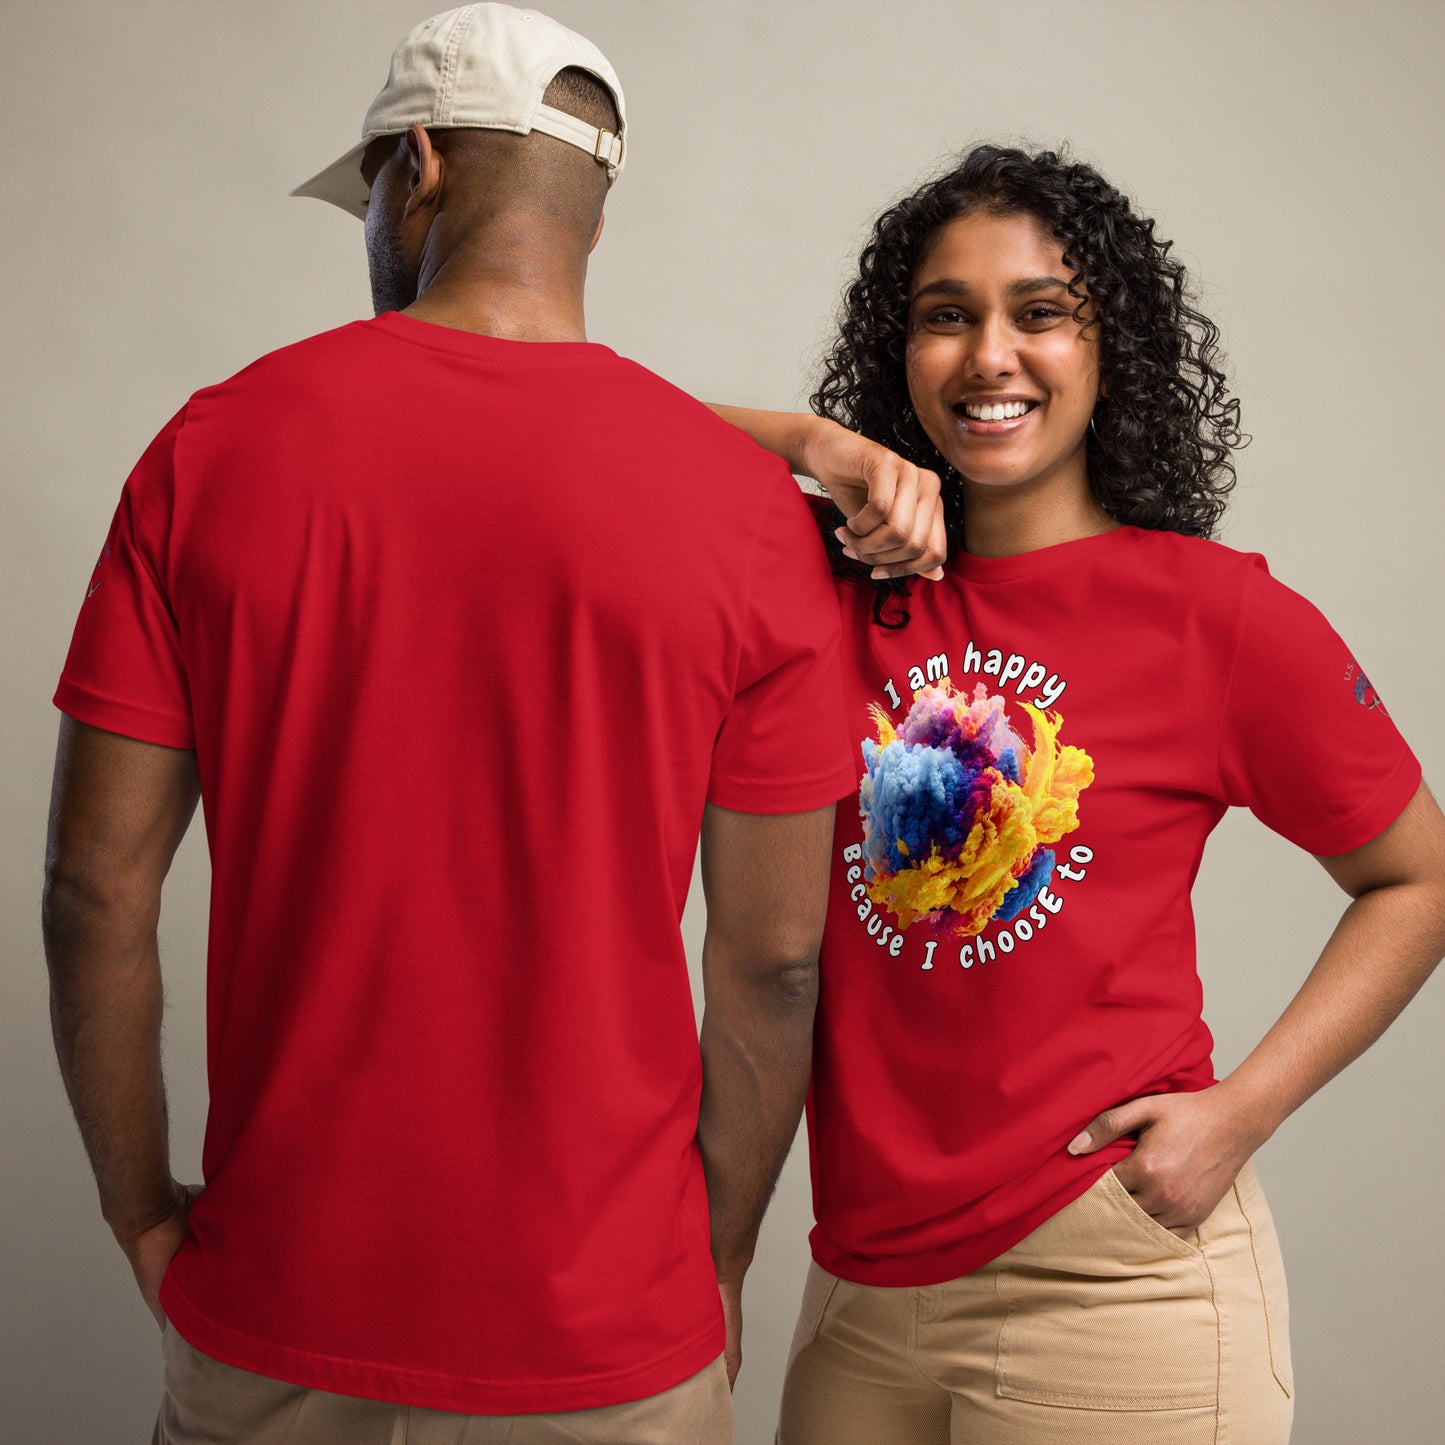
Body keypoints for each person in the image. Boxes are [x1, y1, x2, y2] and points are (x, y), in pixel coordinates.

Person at [41, 6, 855, 1442]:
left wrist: (140, 1215)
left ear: (411, 170)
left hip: (278, 1302)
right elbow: (773, 963)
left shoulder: (211, 451)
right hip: (608, 1337)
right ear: (594, 212)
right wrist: (710, 1265)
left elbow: (92, 889)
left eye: (364, 190)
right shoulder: (743, 518)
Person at [712, 143, 1445, 1444]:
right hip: (859, 1284)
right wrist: (812, 442)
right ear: (900, 349)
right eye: (947, 316)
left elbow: (1417, 876)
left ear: (1113, 349)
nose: (990, 354)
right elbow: (588, 434)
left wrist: (1244, 1108)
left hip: (1109, 1275)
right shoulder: (822, 597)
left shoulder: (1213, 617)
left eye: (1039, 312)